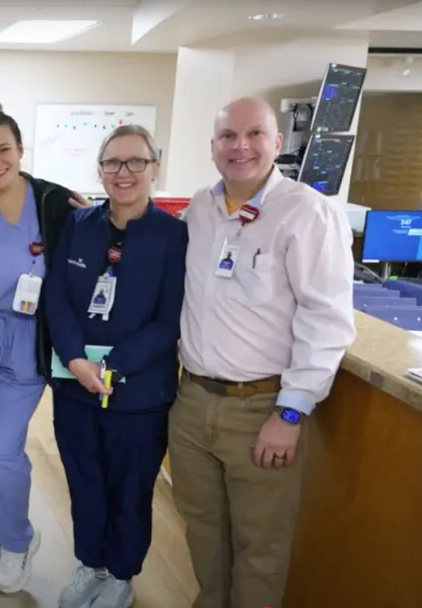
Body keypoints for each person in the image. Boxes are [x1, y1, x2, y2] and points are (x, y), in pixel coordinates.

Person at [169, 97, 355, 608]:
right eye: (228, 136)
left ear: (277, 143)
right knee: (204, 533)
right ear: (213, 147)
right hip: (192, 403)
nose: (240, 146)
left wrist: (290, 411)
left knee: (261, 547)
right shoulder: (200, 210)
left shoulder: (308, 213)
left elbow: (328, 320)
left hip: (263, 409)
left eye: (254, 134)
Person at [44, 125, 187, 608]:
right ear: (99, 170)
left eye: (135, 162)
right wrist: (77, 360)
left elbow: (169, 319)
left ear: (154, 167)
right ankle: (92, 564)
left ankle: (122, 573)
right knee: (84, 480)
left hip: (139, 393)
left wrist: (115, 367)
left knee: (129, 487)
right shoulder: (79, 226)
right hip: (76, 385)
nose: (123, 173)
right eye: (112, 163)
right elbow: (57, 298)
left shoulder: (174, 236)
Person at [0, 99, 86, 594]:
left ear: (21, 149)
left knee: (2, 446)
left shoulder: (55, 203)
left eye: (4, 149)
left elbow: (94, 247)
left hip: (29, 339)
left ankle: (18, 541)